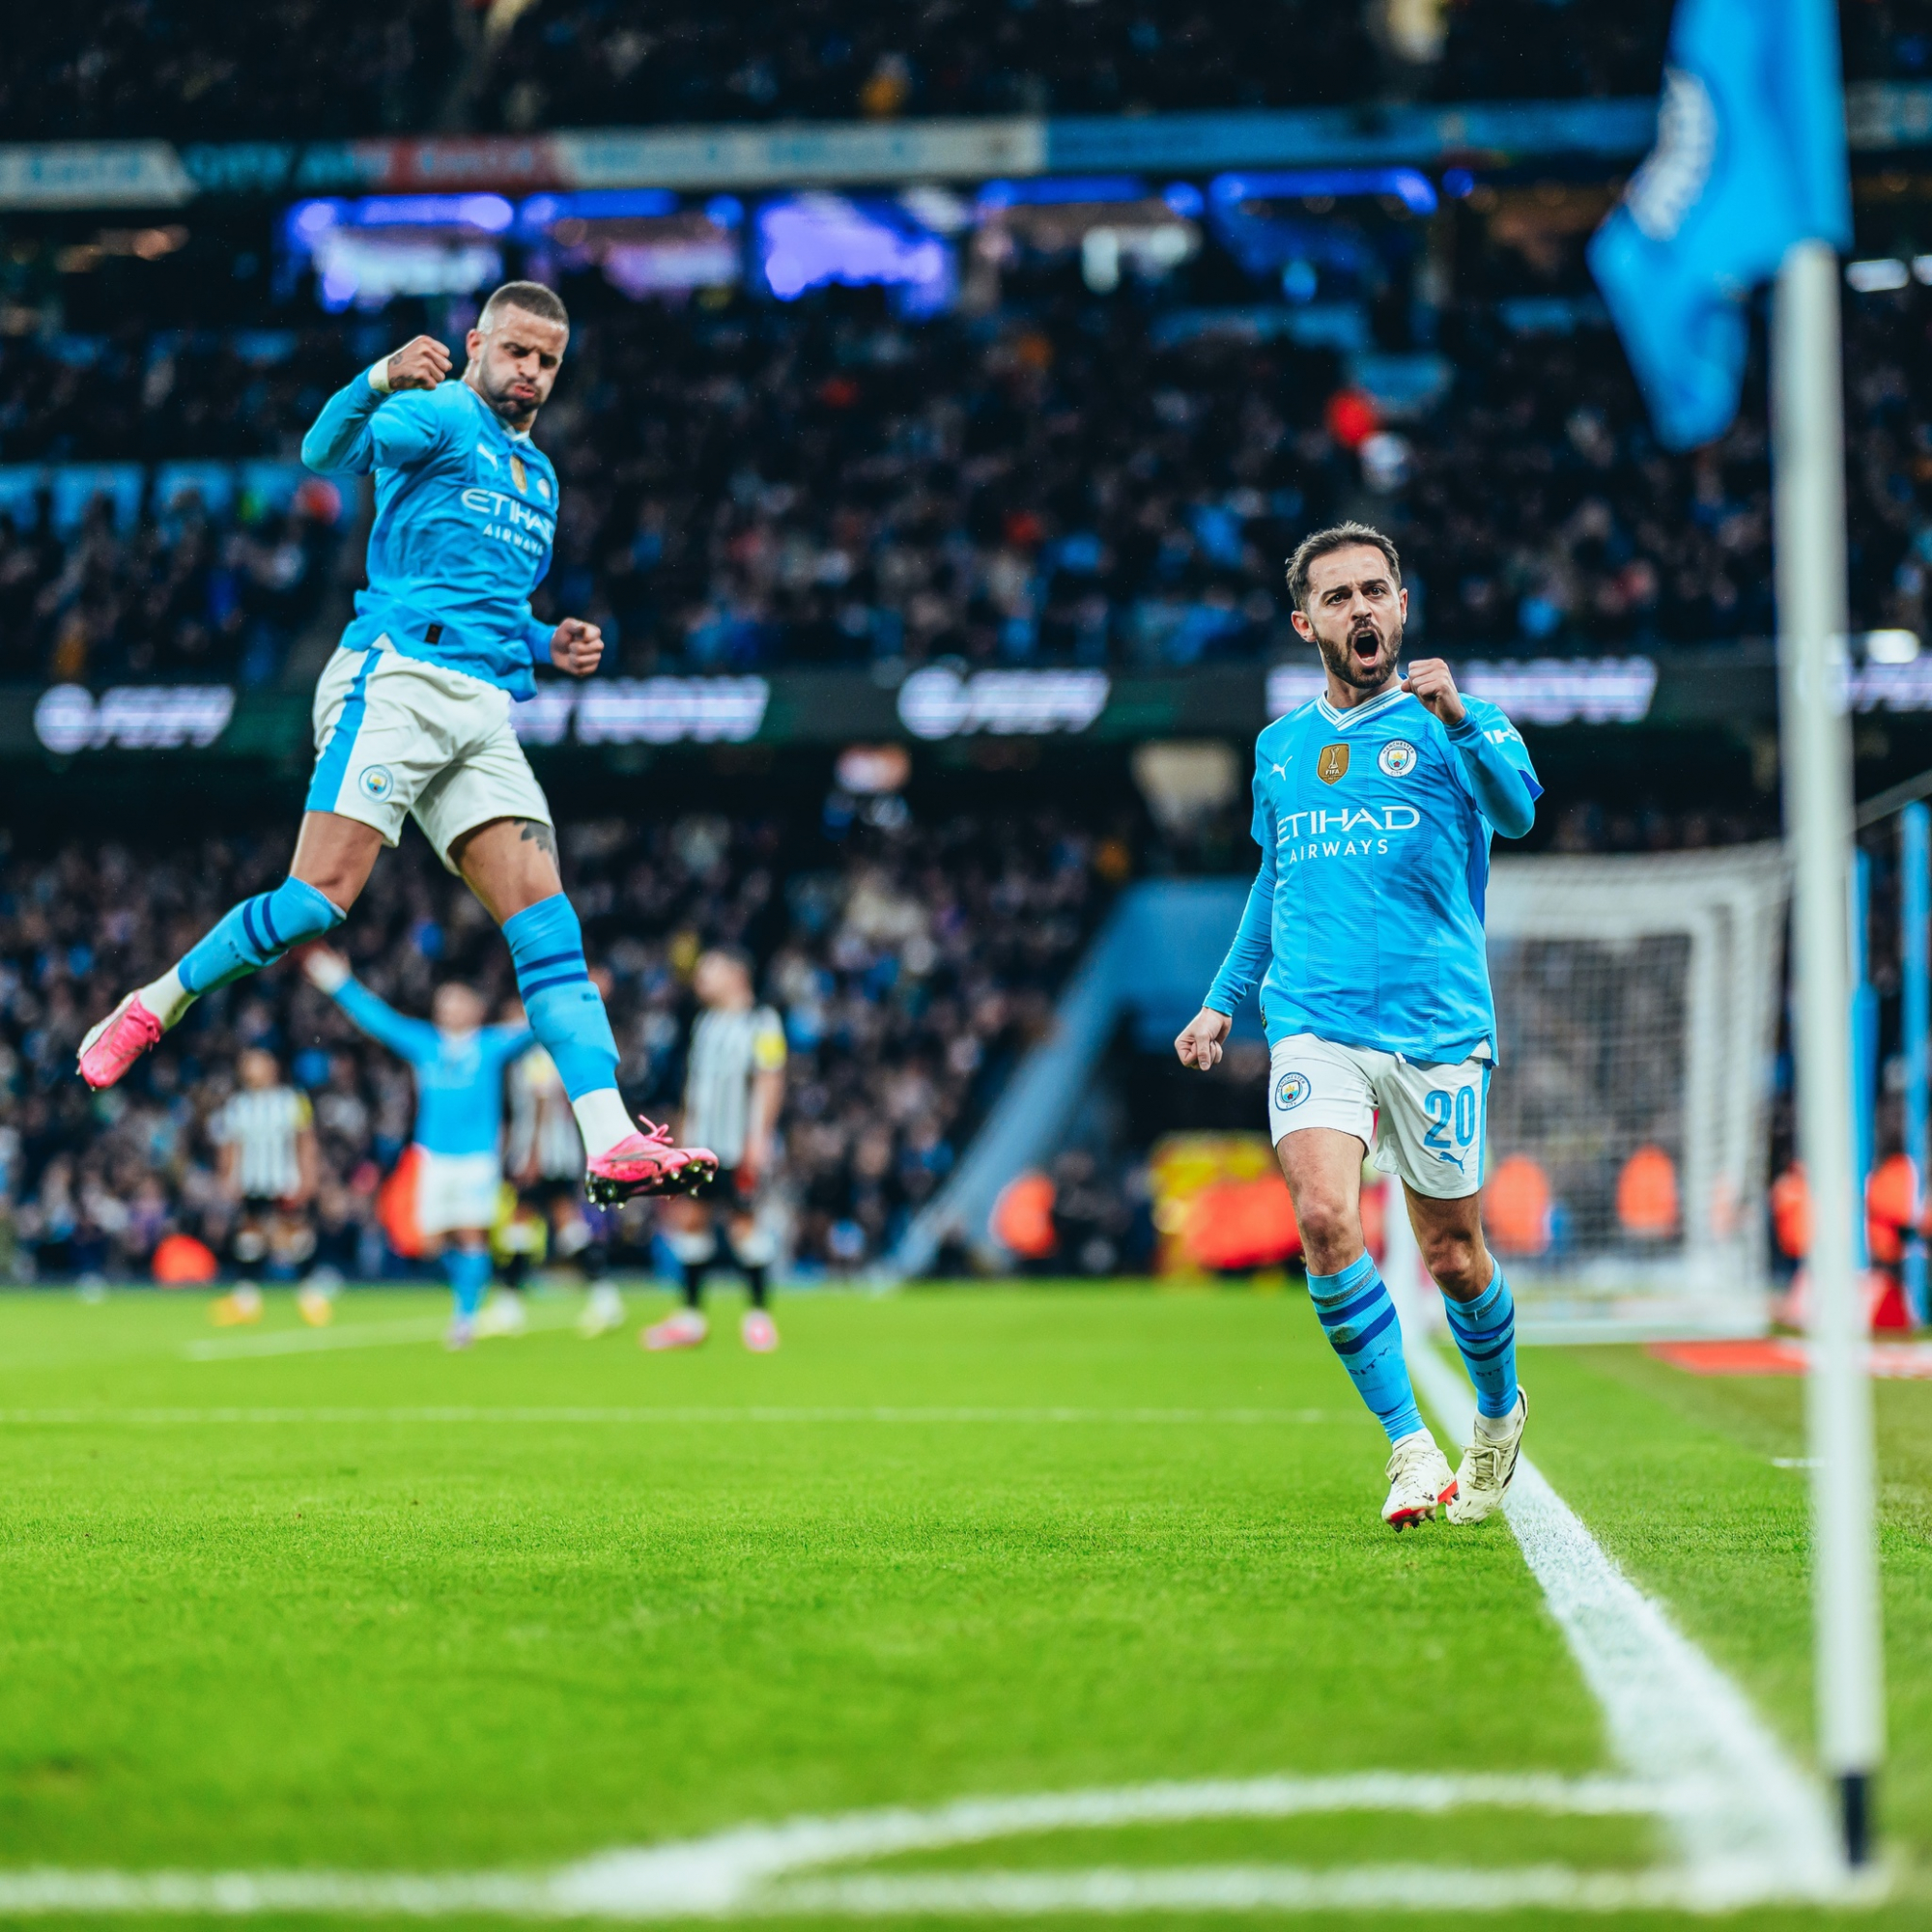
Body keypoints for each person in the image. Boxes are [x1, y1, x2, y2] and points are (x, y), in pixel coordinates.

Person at [75, 280, 715, 1208]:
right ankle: (153, 1003)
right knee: (313, 905)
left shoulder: (541, 479)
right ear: (478, 343)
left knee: (549, 925)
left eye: (547, 362)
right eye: (517, 353)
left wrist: (547, 640)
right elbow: (322, 450)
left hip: (481, 707)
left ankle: (610, 1136)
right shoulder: (439, 415)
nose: (530, 373)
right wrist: (377, 375)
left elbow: (486, 598)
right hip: (396, 680)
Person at [1174, 523, 1540, 1531]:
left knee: (1452, 1252)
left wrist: (1459, 716)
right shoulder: (1279, 747)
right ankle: (1406, 1446)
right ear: (1307, 622)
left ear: (1401, 605)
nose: (1359, 608)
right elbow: (1272, 877)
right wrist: (1220, 997)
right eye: (1336, 597)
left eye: (1374, 590)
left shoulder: (1454, 722)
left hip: (1433, 1023)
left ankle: (1499, 1407)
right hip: (1312, 1020)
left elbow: (1515, 815)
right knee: (1326, 1218)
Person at [304, 948, 529, 1348]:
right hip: (433, 1156)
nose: (450, 1008)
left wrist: (578, 993)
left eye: (458, 1001)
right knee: (426, 1241)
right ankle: (485, 1291)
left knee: (471, 1234)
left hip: (477, 1157)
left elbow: (537, 1029)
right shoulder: (425, 1044)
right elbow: (379, 1021)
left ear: (476, 1008)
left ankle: (466, 1318)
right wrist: (338, 981)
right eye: (444, 1002)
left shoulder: (491, 1044)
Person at [646, 948, 786, 1353]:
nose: (700, 980)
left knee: (743, 1225)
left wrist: (758, 1140)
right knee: (689, 1220)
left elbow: (770, 1081)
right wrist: (682, 1142)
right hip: (701, 1145)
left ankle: (759, 1317)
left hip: (738, 1144)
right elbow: (696, 1090)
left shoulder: (763, 1021)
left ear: (736, 973)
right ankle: (691, 1317)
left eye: (710, 972)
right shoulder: (705, 1023)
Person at [503, 1024, 624, 1338]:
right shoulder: (550, 1051)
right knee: (554, 1225)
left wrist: (532, 1153)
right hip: (555, 1152)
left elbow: (542, 1102)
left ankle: (512, 1304)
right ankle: (602, 1297)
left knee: (535, 1224)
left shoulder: (538, 1053)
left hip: (546, 1154)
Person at [208, 1047, 324, 1327]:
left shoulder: (291, 1101)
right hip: (251, 1180)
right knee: (250, 1237)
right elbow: (229, 1145)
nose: (251, 1070)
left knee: (295, 1235)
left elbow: (305, 1141)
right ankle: (247, 1300)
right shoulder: (237, 1105)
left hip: (284, 1179)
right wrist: (227, 1178)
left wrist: (308, 1177)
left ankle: (310, 1295)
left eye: (257, 1064)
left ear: (272, 1068)